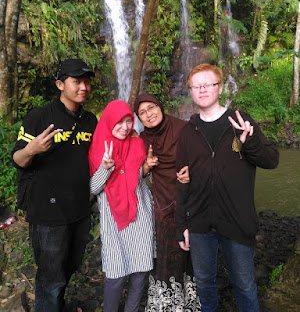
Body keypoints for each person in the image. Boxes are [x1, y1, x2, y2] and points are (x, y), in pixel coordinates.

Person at [175, 63, 279, 312]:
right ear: (190, 91)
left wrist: (250, 142)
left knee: (244, 285)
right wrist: (182, 226)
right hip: (199, 224)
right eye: (196, 86)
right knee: (204, 283)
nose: (201, 90)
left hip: (237, 220)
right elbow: (181, 181)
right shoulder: (187, 132)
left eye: (207, 84)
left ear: (219, 88)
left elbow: (271, 160)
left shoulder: (240, 121)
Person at [12, 59, 97, 312]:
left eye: (86, 81)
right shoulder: (40, 116)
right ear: (60, 84)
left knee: (69, 266)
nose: (83, 87)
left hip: (80, 209)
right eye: (76, 81)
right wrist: (32, 149)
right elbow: (17, 159)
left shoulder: (90, 120)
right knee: (50, 276)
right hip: (49, 214)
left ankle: (57, 305)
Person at [134, 94, 201, 311]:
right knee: (166, 254)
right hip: (162, 205)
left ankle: (192, 301)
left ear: (160, 107)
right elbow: (133, 174)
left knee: (192, 251)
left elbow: (203, 159)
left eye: (151, 108)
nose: (148, 114)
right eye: (142, 112)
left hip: (190, 201)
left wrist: (192, 170)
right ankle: (168, 304)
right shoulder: (142, 140)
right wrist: (146, 166)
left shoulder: (184, 129)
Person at [88, 100, 155, 312]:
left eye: (129, 121)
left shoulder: (137, 143)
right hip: (113, 217)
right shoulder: (98, 147)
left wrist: (146, 168)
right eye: (120, 122)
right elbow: (93, 188)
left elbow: (136, 176)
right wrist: (106, 168)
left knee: (141, 270)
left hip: (141, 212)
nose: (125, 127)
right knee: (116, 273)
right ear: (109, 122)